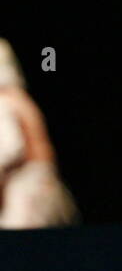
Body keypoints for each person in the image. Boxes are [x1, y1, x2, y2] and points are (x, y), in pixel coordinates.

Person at [0, 40, 76, 230]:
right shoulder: (20, 100)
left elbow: (10, 150)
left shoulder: (7, 102)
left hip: (27, 189)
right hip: (40, 185)